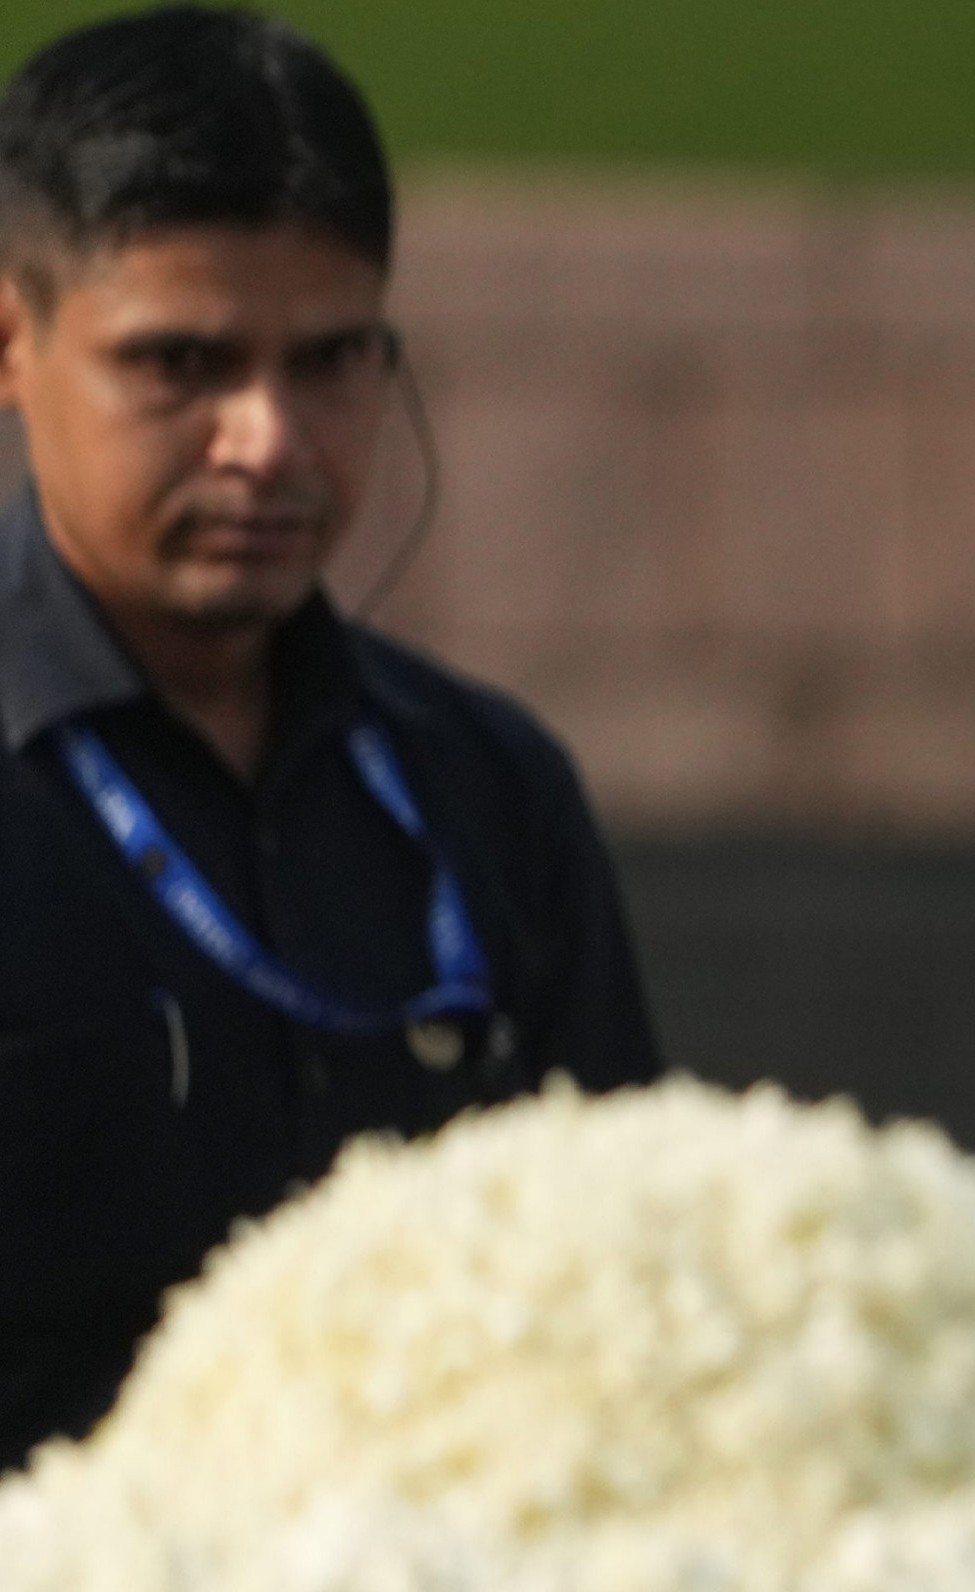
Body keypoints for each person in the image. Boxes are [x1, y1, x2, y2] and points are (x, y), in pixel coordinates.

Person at [0, 7, 658, 1468]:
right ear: (14, 343)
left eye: (332, 360)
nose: (269, 440)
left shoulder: (491, 791)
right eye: (181, 364)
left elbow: (635, 1299)